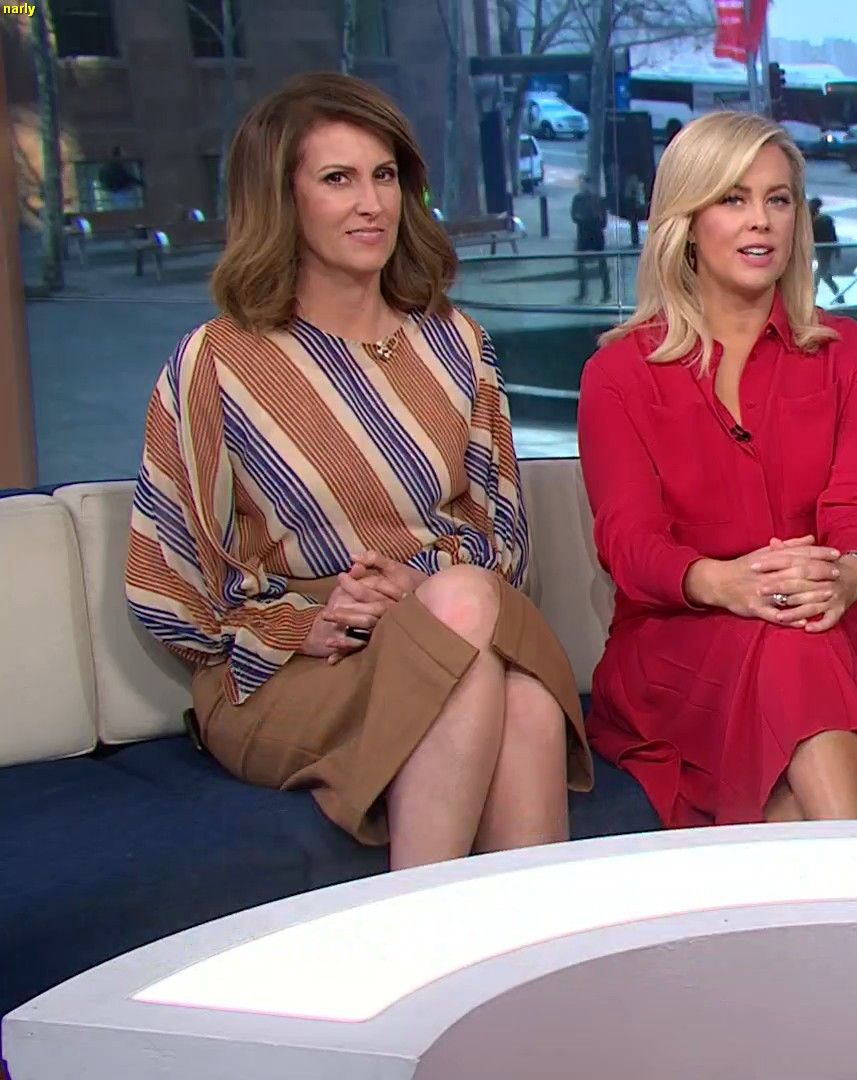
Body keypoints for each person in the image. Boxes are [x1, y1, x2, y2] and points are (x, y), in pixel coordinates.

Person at [125, 73, 591, 870]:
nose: (372, 204)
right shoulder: (218, 362)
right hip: (293, 668)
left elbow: (505, 541)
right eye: (338, 179)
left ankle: (454, 939)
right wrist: (303, 625)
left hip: (452, 622)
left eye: (385, 176)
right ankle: (428, 926)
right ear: (283, 199)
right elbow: (168, 584)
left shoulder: (457, 345)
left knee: (503, 671)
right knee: (493, 678)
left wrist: (418, 591)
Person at [577, 111, 857, 827]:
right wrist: (726, 583)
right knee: (800, 667)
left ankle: (837, 892)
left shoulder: (850, 356)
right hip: (681, 641)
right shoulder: (618, 375)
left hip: (823, 622)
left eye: (778, 199)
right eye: (733, 199)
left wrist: (849, 574)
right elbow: (628, 541)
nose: (760, 221)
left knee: (801, 657)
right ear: (686, 222)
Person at [571, 180, 612, 302]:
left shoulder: (598, 200)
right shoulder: (578, 199)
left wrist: (588, 219)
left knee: (601, 264)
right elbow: (574, 216)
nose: (584, 187)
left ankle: (606, 292)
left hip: (595, 236)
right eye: (582, 185)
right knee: (581, 264)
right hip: (584, 235)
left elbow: (604, 222)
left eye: (586, 185)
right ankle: (583, 292)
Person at [809, 196, 841, 298]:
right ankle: (839, 296)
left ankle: (812, 298)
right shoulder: (815, 220)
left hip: (823, 251)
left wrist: (837, 250)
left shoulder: (822, 220)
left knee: (820, 274)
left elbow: (832, 236)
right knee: (823, 275)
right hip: (820, 250)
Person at [100, 146, 144, 211]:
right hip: (114, 181)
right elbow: (128, 179)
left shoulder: (113, 168)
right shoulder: (115, 170)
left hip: (113, 181)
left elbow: (129, 179)